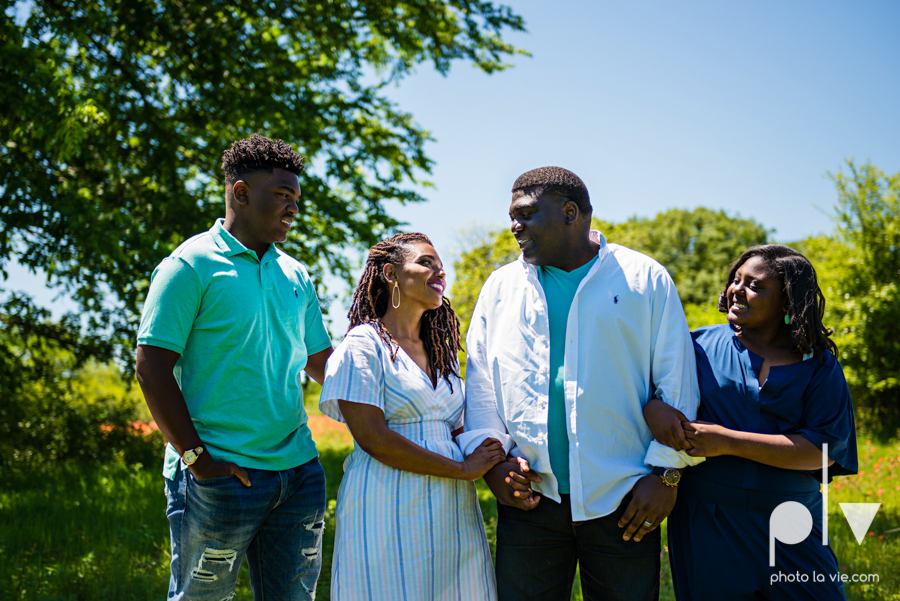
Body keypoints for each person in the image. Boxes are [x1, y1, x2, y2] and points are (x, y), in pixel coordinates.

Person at [460, 166, 703, 601]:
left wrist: (666, 475)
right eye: (512, 215)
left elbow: (677, 382)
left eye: (527, 214)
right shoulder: (500, 287)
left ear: (570, 212)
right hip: (529, 496)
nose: (515, 226)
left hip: (625, 499)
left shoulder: (644, 279)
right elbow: (481, 384)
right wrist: (493, 464)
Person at [135, 134, 333, 600]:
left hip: (299, 473)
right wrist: (196, 459)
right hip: (221, 476)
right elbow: (151, 367)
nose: (293, 209)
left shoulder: (295, 273)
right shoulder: (189, 265)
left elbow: (322, 362)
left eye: (296, 199)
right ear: (240, 193)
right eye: (282, 196)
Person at [644, 244, 858, 600]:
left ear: (788, 302)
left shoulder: (819, 366)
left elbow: (822, 452)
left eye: (755, 285)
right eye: (736, 280)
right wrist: (654, 409)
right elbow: (649, 393)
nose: (737, 290)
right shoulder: (696, 346)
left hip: (791, 519)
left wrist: (727, 441)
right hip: (706, 518)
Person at [319, 233, 503, 601]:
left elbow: (457, 428)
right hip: (388, 499)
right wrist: (463, 470)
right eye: (425, 263)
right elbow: (373, 438)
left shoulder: (442, 353)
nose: (439, 272)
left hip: (451, 506)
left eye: (440, 265)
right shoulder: (363, 345)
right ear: (390, 274)